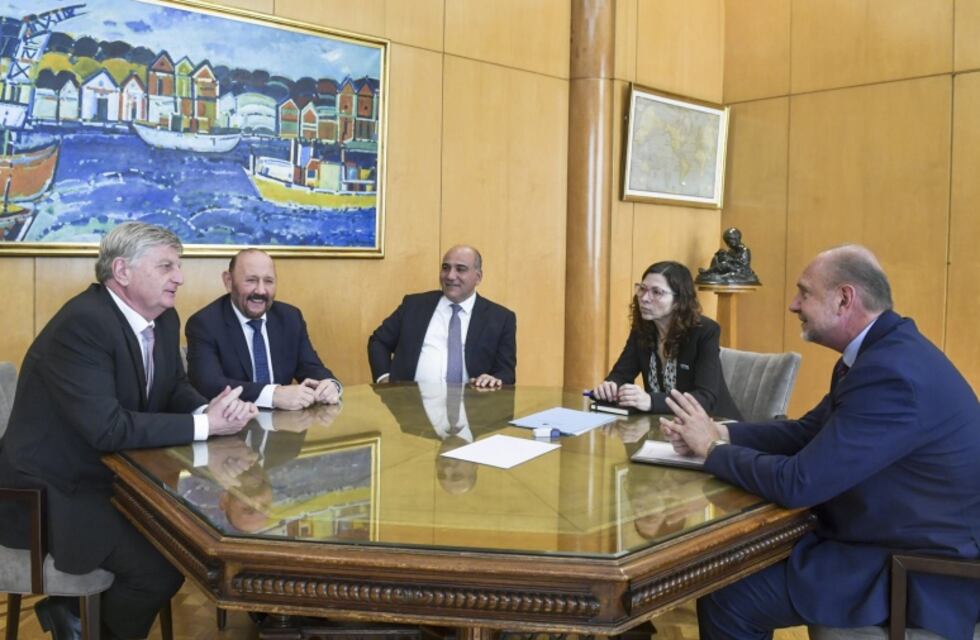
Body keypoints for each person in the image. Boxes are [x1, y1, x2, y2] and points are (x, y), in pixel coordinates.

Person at [660, 245, 980, 639]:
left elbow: (798, 484)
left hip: (914, 569)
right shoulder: (881, 352)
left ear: (844, 298)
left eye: (804, 292)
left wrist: (713, 451)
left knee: (728, 594)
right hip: (886, 536)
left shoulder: (892, 375)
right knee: (731, 571)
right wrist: (722, 431)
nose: (794, 304)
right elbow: (806, 432)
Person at [0, 222, 258, 640]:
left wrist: (205, 408)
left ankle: (75, 617)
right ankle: (83, 624)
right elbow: (108, 429)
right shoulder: (83, 325)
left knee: (182, 547)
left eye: (179, 265)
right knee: (160, 567)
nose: (180, 276)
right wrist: (205, 425)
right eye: (166, 266)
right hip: (48, 492)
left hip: (109, 477)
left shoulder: (164, 317)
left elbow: (172, 386)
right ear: (121, 271)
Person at [186, 248, 342, 410]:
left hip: (286, 426)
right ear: (229, 281)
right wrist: (273, 395)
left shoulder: (290, 317)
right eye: (251, 280)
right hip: (233, 424)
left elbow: (311, 367)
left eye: (268, 281)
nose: (260, 291)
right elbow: (209, 385)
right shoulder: (205, 323)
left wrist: (330, 385)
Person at [590, 261, 741, 419]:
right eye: (642, 289)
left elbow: (705, 398)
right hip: (664, 427)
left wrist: (651, 401)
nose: (644, 298)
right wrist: (611, 387)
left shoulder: (705, 332)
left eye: (656, 292)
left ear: (678, 301)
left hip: (715, 426)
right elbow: (621, 374)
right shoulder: (642, 329)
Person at [367, 245, 517, 388]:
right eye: (446, 268)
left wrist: (494, 379)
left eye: (460, 269)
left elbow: (506, 373)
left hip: (474, 408)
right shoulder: (414, 306)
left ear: (478, 277)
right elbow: (379, 341)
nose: (450, 276)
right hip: (411, 406)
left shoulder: (501, 318)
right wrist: (384, 379)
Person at [696, 227, 761, 285]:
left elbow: (743, 265)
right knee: (716, 258)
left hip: (740, 270)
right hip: (731, 267)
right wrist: (722, 255)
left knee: (724, 265)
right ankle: (710, 273)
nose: (728, 244)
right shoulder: (731, 250)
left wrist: (730, 259)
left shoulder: (744, 250)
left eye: (730, 241)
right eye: (727, 242)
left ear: (737, 239)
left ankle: (707, 273)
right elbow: (727, 259)